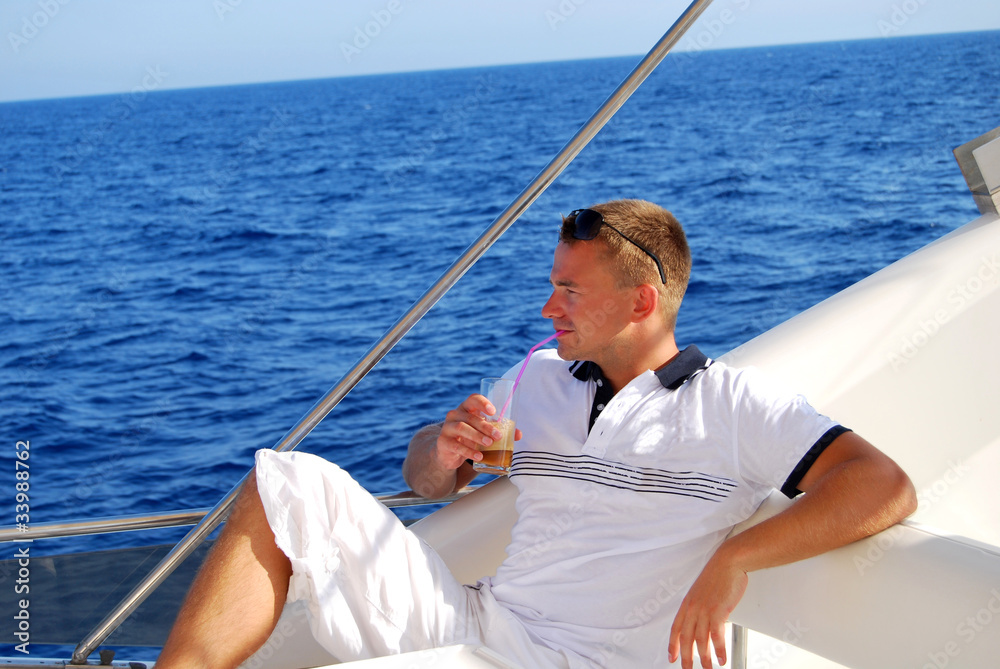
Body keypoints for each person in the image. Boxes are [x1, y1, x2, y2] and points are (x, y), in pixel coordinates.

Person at [158, 199, 917, 669]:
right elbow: (428, 479)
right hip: (485, 622)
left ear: (640, 301)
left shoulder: (733, 404)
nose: (549, 306)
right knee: (285, 479)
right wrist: (445, 447)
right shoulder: (539, 382)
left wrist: (734, 557)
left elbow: (883, 484)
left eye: (569, 289)